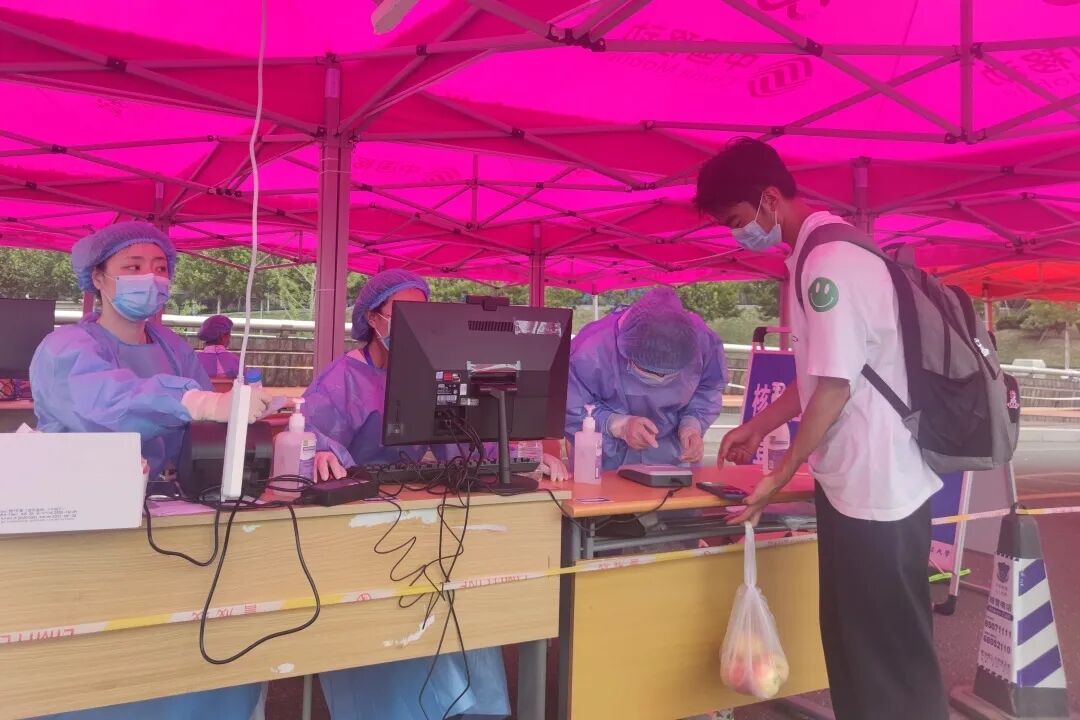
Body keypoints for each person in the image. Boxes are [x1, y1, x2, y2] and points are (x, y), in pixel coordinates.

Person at [695, 138, 948, 720]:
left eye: (736, 220)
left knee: (882, 653)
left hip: (874, 488)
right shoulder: (823, 252)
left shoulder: (828, 264)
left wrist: (780, 476)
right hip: (864, 484)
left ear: (769, 199)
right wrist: (759, 425)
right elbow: (821, 372)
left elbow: (835, 386)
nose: (738, 234)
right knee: (863, 644)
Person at [28, 221, 268, 719]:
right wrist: (193, 401)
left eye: (160, 267)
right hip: (87, 526)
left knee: (187, 641)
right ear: (98, 277)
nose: (151, 278)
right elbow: (102, 405)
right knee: (101, 659)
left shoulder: (174, 349)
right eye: (133, 266)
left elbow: (203, 431)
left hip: (168, 516)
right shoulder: (66, 347)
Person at [302, 268, 566, 719]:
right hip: (360, 526)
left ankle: (476, 707)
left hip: (425, 517)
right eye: (402, 314)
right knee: (404, 614)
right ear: (373, 319)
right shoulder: (343, 378)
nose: (414, 326)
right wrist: (319, 452)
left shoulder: (438, 373)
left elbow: (467, 438)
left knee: (464, 597)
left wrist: (520, 454)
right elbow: (308, 434)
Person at [565, 286, 727, 470]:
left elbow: (709, 388)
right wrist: (617, 425)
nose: (659, 379)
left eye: (668, 374)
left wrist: (692, 424)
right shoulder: (590, 348)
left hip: (673, 458)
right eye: (650, 372)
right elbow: (570, 405)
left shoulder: (702, 340)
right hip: (604, 461)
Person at [197, 314, 241, 379]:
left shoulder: (193, 361)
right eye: (229, 334)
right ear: (222, 336)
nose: (230, 337)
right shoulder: (235, 361)